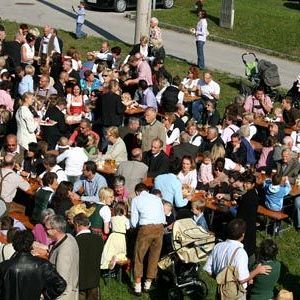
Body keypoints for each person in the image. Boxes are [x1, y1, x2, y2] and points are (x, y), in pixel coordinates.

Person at [203, 219, 272, 299]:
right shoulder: (241, 253)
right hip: (235, 294)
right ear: (243, 235)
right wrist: (257, 271)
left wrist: (222, 280)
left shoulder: (218, 246)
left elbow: (208, 269)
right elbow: (242, 279)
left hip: (221, 292)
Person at [0, 230, 66, 300]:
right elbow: (60, 284)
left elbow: (60, 284)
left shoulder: (4, 266)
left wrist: (45, 295)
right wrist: (45, 295)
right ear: (31, 244)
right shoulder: (43, 265)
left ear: (14, 245)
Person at [131, 183, 165, 295]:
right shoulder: (157, 198)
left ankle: (137, 286)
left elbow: (134, 222)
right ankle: (148, 284)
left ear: (137, 192)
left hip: (146, 228)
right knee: (154, 257)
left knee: (139, 256)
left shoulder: (136, 200)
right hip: (160, 228)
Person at [46, 214, 79, 300]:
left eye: (47, 229)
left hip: (63, 295)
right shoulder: (70, 237)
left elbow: (61, 280)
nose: (46, 231)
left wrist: (46, 295)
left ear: (55, 230)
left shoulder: (64, 250)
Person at [73, 213, 104, 300]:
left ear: (77, 225)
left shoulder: (74, 241)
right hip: (94, 280)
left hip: (79, 281)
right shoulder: (99, 239)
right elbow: (102, 261)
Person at [236, 174, 259, 262]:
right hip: (250, 223)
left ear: (253, 184)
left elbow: (242, 213)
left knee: (245, 247)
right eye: (245, 182)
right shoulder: (252, 193)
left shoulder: (248, 197)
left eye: (248, 183)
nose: (245, 184)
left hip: (246, 224)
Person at [101, 202, 129, 269]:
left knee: (108, 251)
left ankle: (107, 263)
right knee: (121, 251)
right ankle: (117, 258)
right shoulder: (126, 219)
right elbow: (127, 227)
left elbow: (110, 227)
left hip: (113, 236)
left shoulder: (112, 218)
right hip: (121, 236)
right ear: (124, 210)